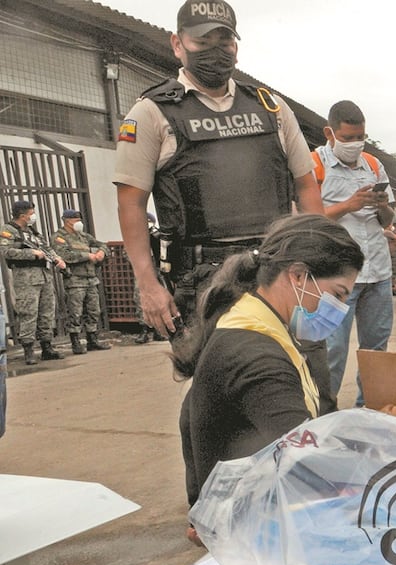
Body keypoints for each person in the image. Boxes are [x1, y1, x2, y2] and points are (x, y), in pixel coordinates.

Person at [113, 0, 323, 338]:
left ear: (236, 47)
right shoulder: (151, 113)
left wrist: (318, 262)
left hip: (278, 270)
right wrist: (148, 285)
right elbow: (130, 204)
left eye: (224, 42)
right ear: (177, 44)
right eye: (202, 42)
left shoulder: (272, 108)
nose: (216, 52)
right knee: (222, 382)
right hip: (204, 281)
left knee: (302, 378)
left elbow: (306, 186)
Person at [175, 215, 363, 521]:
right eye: (338, 294)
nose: (339, 309)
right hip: (257, 523)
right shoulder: (256, 356)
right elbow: (309, 467)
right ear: (299, 276)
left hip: (249, 501)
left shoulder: (250, 318)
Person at [314, 100, 394, 407]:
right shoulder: (314, 166)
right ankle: (324, 416)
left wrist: (382, 206)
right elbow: (306, 218)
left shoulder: (373, 165)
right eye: (347, 138)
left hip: (377, 273)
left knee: (376, 352)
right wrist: (349, 205)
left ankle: (369, 412)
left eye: (359, 137)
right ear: (329, 133)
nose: (354, 144)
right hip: (335, 278)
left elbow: (387, 221)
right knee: (330, 352)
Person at [1, 200, 67, 365]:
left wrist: (57, 258)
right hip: (26, 279)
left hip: (44, 276)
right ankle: (29, 350)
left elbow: (45, 247)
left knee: (47, 312)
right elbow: (6, 251)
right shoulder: (8, 230)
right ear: (23, 216)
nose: (33, 216)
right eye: (31, 214)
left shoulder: (32, 231)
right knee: (28, 314)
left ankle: (47, 347)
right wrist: (32, 253)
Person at [51, 209, 112, 354]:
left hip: (91, 278)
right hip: (75, 280)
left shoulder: (83, 236)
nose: (79, 223)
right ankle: (75, 341)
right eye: (75, 220)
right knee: (75, 312)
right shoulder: (59, 237)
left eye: (79, 219)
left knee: (93, 311)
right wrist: (88, 255)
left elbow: (103, 244)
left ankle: (92, 339)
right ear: (66, 221)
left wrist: (101, 252)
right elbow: (64, 255)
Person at [132, 213, 167, 344]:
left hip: (158, 271)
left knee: (160, 299)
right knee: (141, 300)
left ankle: (159, 330)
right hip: (142, 274)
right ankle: (144, 330)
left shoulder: (158, 235)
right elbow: (127, 254)